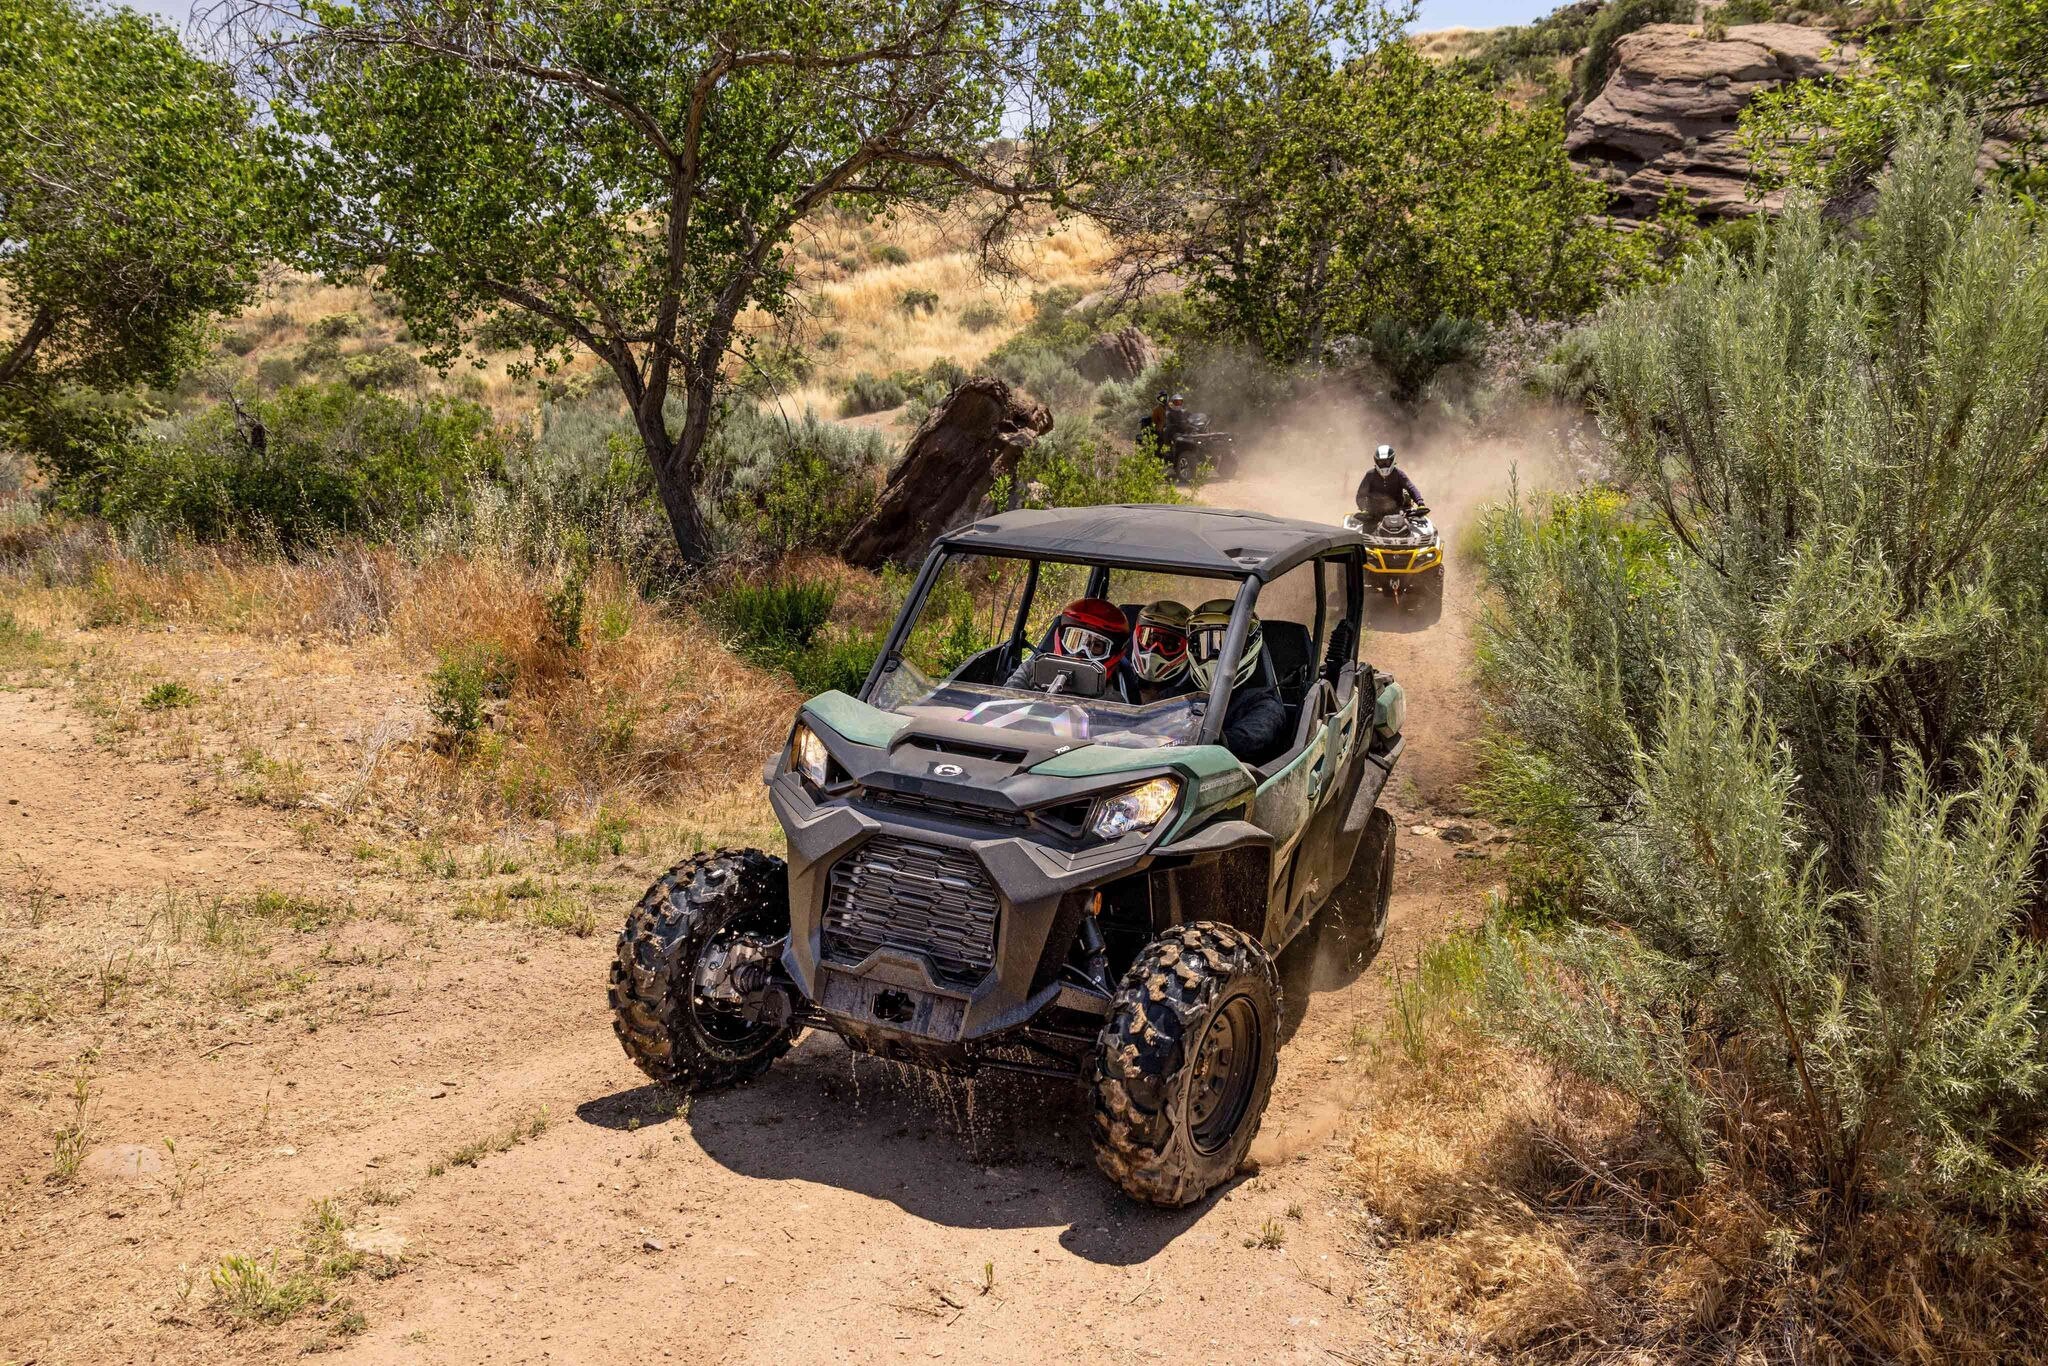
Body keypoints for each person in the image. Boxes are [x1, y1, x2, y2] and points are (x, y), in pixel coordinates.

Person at [1188, 598, 1288, 765]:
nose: (1215, 655)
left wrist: (1199, 740)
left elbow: (1250, 738)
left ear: (1248, 647)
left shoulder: (1265, 705)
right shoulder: (1183, 694)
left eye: (1225, 646)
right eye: (1206, 645)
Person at [1004, 597, 1138, 701]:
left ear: (1112, 653)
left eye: (1096, 646)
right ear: (1062, 638)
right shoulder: (1030, 670)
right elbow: (1004, 703)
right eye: (1075, 640)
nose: (1081, 652)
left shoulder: (1112, 701)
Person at [1129, 600, 1196, 704]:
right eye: (1151, 639)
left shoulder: (1194, 694)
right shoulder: (1123, 677)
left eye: (1168, 643)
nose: (1155, 649)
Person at [1355, 443, 1425, 520]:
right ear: (1376, 461)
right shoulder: (1370, 475)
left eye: (1387, 462)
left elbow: (1411, 488)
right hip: (1374, 513)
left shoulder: (1399, 474)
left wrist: (1420, 503)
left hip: (1397, 511)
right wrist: (1364, 509)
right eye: (1381, 462)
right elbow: (1360, 494)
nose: (1384, 465)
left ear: (1392, 460)